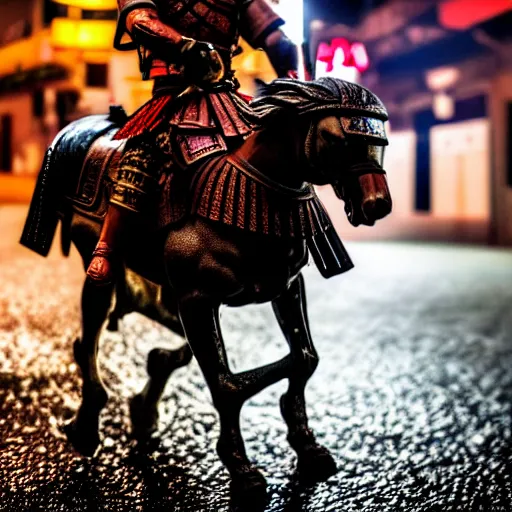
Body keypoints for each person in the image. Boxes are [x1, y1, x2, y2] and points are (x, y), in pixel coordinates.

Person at [86, 0, 300, 285]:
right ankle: (107, 247)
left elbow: (272, 34)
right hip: (172, 93)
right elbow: (141, 21)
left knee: (272, 151)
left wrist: (293, 76)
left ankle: (295, 234)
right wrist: (187, 47)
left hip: (226, 92)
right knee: (141, 155)